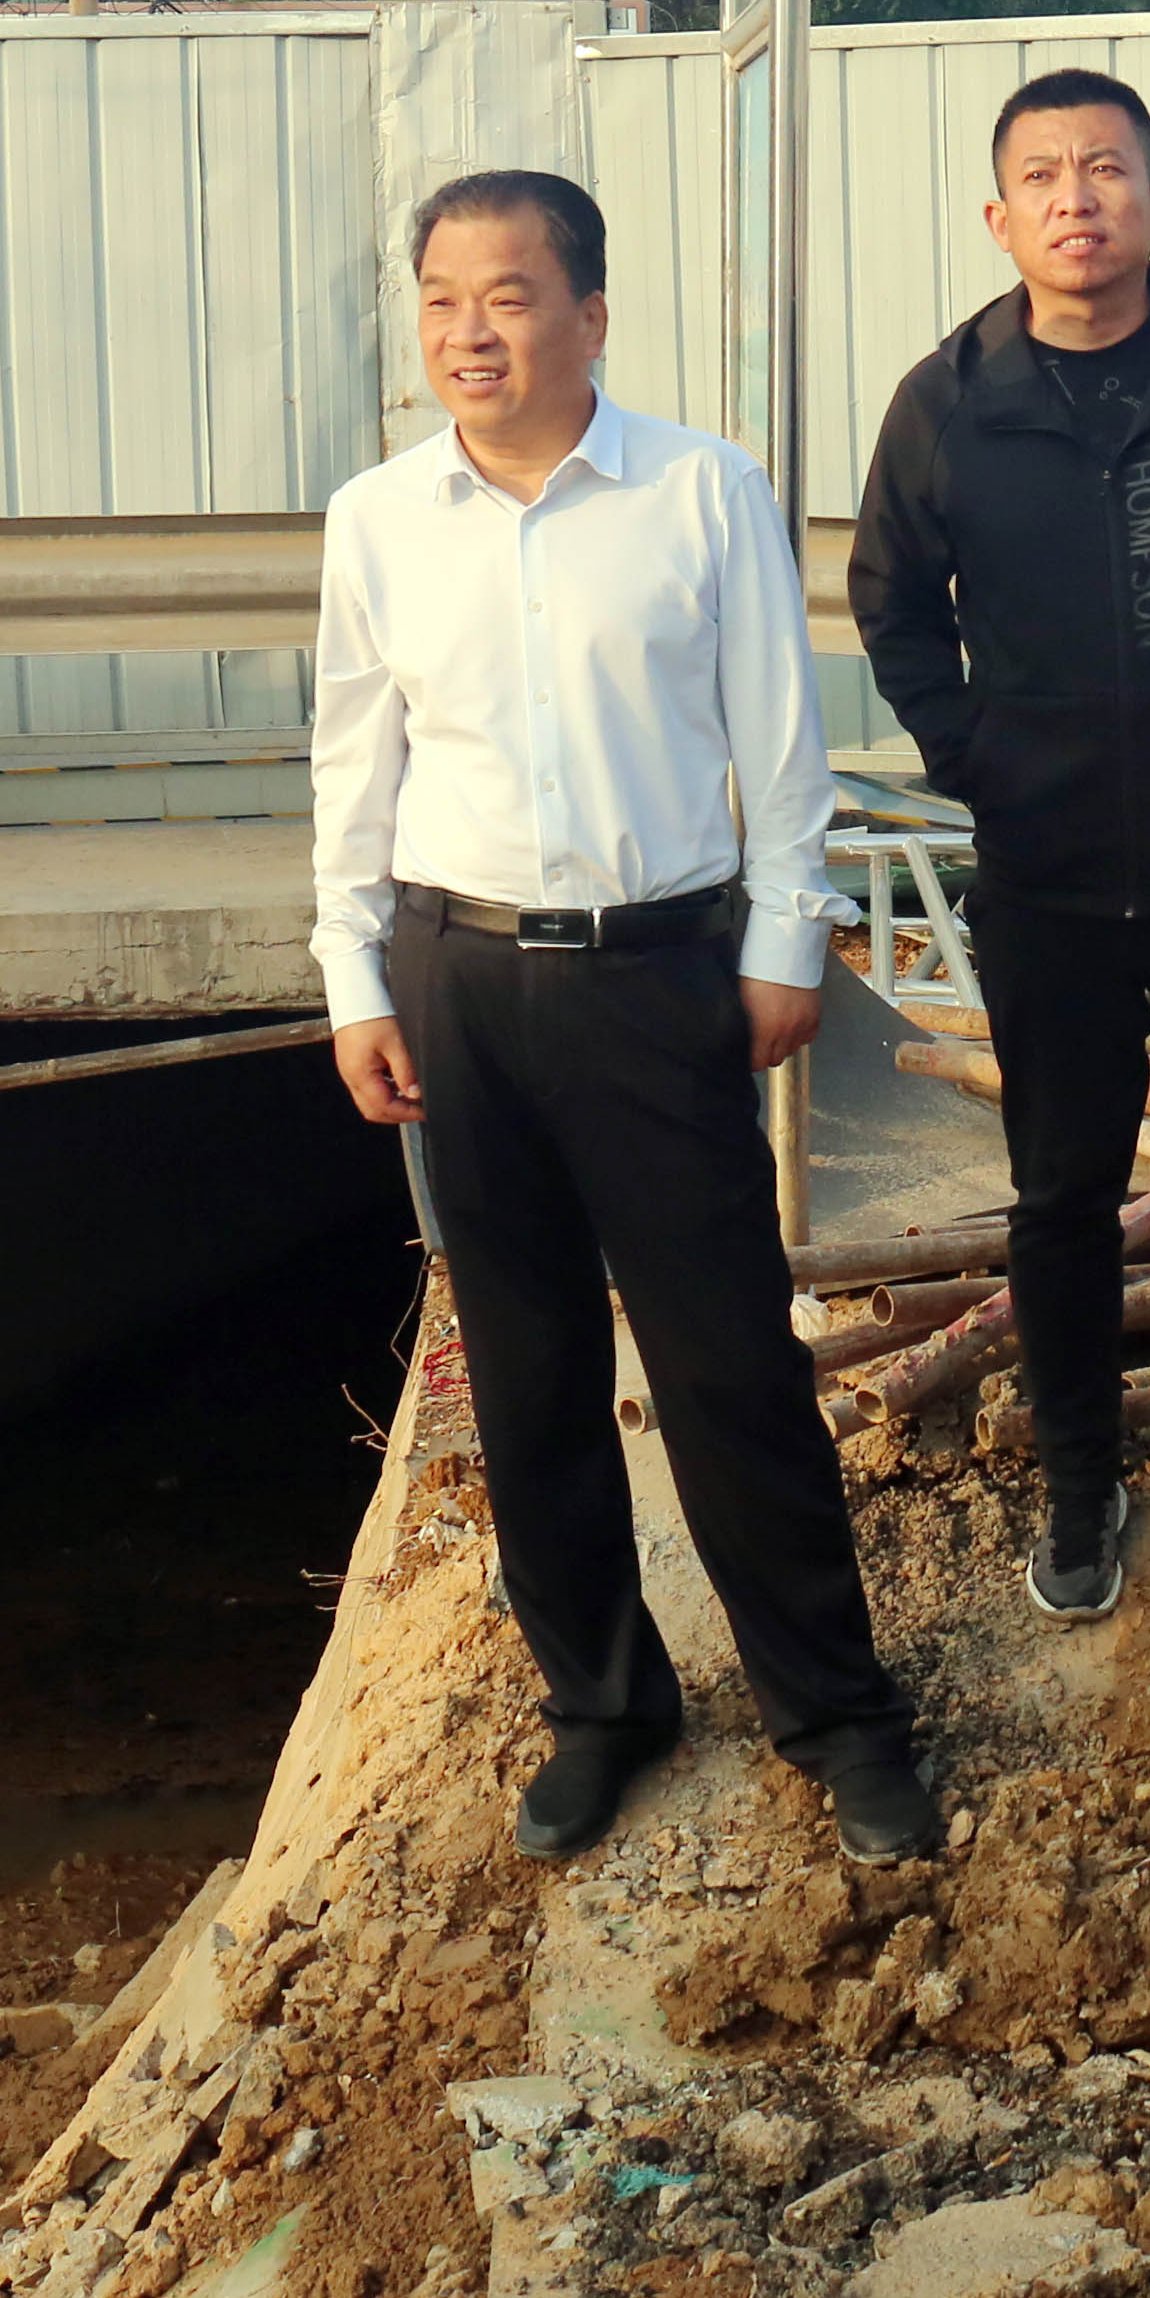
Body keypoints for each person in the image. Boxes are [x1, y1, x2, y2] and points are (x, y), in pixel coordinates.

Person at [312, 168, 936, 1869]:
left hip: (656, 978)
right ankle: (603, 1708)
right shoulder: (379, 520)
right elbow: (355, 764)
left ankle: (838, 1715)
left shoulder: (699, 491)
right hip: (457, 982)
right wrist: (355, 977)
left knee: (729, 1363)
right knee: (526, 1377)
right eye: (442, 300)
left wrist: (788, 940)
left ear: (589, 315)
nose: (470, 332)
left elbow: (779, 743)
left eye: (507, 296)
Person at [849, 69, 1150, 1621]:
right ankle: (1080, 1483)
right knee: (1060, 1200)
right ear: (1000, 219)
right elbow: (891, 605)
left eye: (1107, 168)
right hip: (1048, 882)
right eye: (1045, 176)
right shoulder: (946, 404)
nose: (1079, 197)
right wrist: (978, 760)